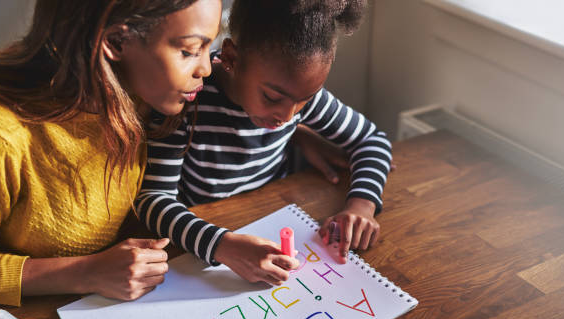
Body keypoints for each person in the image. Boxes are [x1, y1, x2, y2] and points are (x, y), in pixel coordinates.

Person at [137, 0, 393, 286]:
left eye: (304, 100)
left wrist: (361, 206)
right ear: (232, 58)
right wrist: (222, 245)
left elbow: (372, 140)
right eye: (272, 98)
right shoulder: (185, 99)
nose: (287, 116)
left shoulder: (296, 97)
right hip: (202, 240)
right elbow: (154, 199)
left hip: (271, 218)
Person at [0, 0, 223, 306]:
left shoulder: (140, 92)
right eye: (189, 51)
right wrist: (86, 272)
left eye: (210, 46)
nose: (205, 68)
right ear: (115, 41)